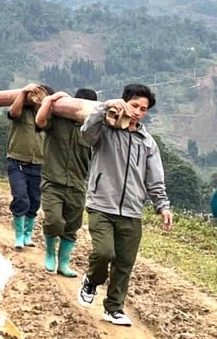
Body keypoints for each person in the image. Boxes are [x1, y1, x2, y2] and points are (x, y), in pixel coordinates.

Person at [77, 84, 173, 327]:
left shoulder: (147, 142)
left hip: (132, 210)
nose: (139, 111)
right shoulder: (105, 130)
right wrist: (104, 108)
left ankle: (114, 308)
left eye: (144, 109)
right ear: (124, 103)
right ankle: (91, 279)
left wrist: (162, 206)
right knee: (103, 253)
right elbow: (85, 135)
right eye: (134, 105)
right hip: (101, 205)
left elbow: (155, 178)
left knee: (124, 262)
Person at [35, 88, 98, 277]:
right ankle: (49, 254)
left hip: (77, 184)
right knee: (54, 220)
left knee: (72, 226)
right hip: (53, 181)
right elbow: (39, 121)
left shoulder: (92, 130)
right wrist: (52, 98)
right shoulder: (58, 120)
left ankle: (63, 263)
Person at [7, 82, 54, 249]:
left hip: (39, 165)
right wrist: (23, 91)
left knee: (34, 201)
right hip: (17, 162)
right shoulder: (22, 112)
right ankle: (19, 236)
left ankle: (27, 234)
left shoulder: (49, 119)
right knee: (21, 197)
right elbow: (13, 112)